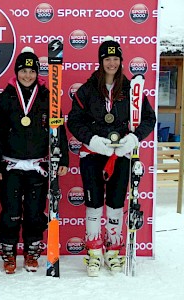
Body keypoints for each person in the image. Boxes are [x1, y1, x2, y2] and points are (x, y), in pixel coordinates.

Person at [67, 37, 156, 276]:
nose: (112, 63)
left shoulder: (130, 90)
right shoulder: (87, 90)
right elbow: (73, 120)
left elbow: (149, 118)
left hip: (121, 155)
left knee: (116, 204)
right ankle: (94, 253)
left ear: (121, 61)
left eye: (116, 59)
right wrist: (92, 140)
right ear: (101, 61)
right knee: (94, 203)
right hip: (93, 154)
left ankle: (112, 252)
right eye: (108, 59)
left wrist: (134, 138)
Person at [0, 47, 69, 274]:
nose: (27, 75)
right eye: (23, 70)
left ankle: (32, 250)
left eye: (32, 71)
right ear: (16, 72)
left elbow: (58, 130)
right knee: (11, 211)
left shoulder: (48, 97)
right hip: (10, 165)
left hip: (38, 166)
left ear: (38, 73)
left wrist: (63, 158)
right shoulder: (3, 100)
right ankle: (8, 251)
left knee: (35, 211)